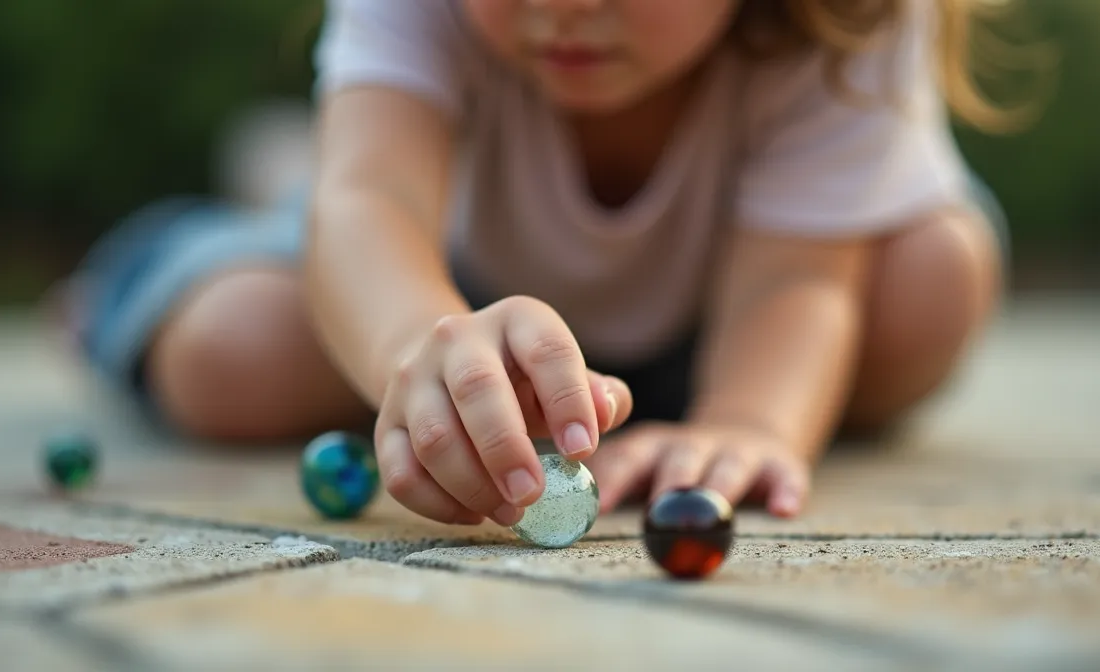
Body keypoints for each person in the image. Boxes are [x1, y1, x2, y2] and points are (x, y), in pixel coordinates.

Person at [55, 0, 1012, 529]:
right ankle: (128, 287)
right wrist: (413, 352)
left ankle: (665, 409)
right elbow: (370, 202)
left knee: (934, 276)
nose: (563, 8)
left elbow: (798, 279)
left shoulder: (847, 17)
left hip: (722, 314)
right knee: (235, 353)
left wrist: (749, 422)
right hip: (438, 285)